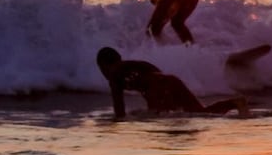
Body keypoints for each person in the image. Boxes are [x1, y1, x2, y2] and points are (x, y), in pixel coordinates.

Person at [96, 47, 242, 120]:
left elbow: (119, 111)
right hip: (170, 80)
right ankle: (235, 103)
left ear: (103, 65)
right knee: (200, 113)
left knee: (159, 120)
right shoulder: (133, 65)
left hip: (157, 88)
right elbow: (156, 77)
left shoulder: (114, 74)